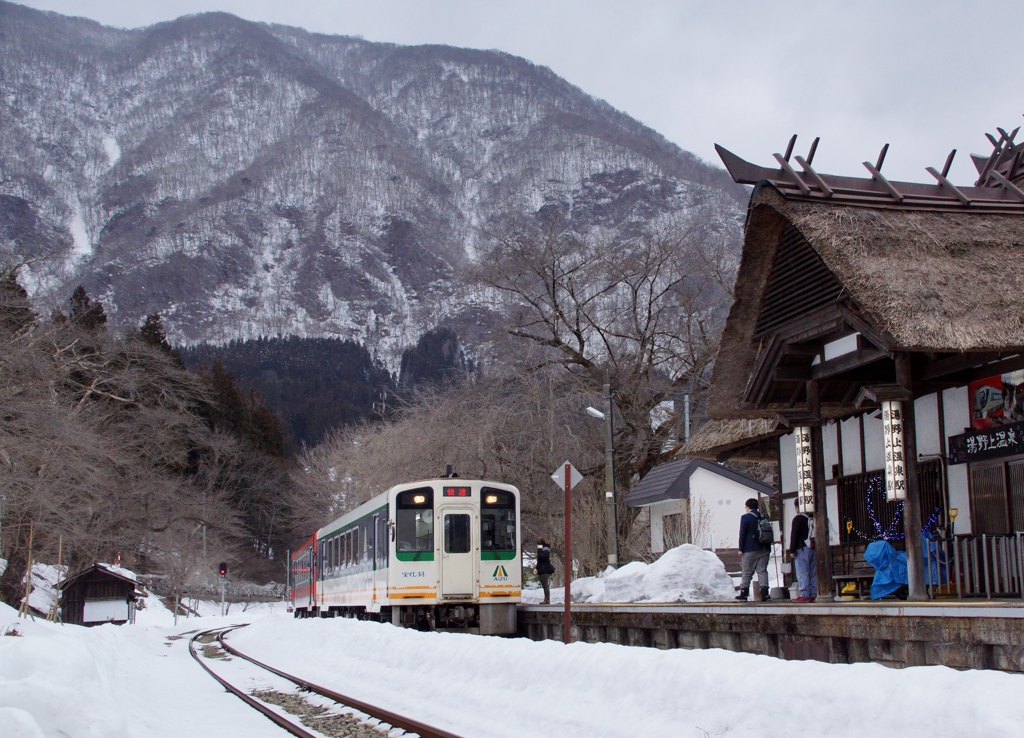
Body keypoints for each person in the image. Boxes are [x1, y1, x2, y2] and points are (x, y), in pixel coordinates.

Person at [736, 498, 771, 602]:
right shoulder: (763, 517)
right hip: (764, 548)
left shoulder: (745, 517)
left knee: (746, 571)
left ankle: (744, 593)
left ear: (748, 507)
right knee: (762, 571)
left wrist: (741, 548)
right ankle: (765, 594)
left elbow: (742, 534)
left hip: (750, 548)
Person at [788, 507, 817, 602]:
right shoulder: (813, 519)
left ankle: (805, 594)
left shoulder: (798, 519)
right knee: (813, 573)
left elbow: (794, 535)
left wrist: (792, 550)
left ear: (796, 507)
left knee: (802, 572)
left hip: (802, 548)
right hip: (813, 548)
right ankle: (814, 593)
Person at [536, 540, 555, 604]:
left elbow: (541, 558)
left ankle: (547, 599)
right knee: (544, 585)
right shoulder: (543, 551)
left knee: (545, 585)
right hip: (541, 570)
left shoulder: (545, 551)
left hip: (544, 570)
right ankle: (546, 598)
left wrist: (539, 550)